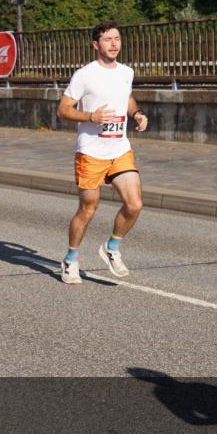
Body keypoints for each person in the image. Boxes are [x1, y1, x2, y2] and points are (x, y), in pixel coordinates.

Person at [56, 21, 148, 284]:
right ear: (96, 44)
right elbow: (63, 110)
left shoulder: (126, 72)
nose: (114, 44)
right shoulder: (84, 75)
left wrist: (137, 113)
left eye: (117, 38)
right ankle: (71, 259)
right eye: (108, 39)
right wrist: (90, 116)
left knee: (135, 204)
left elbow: (126, 97)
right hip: (91, 152)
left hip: (119, 148)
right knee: (88, 208)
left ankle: (112, 248)